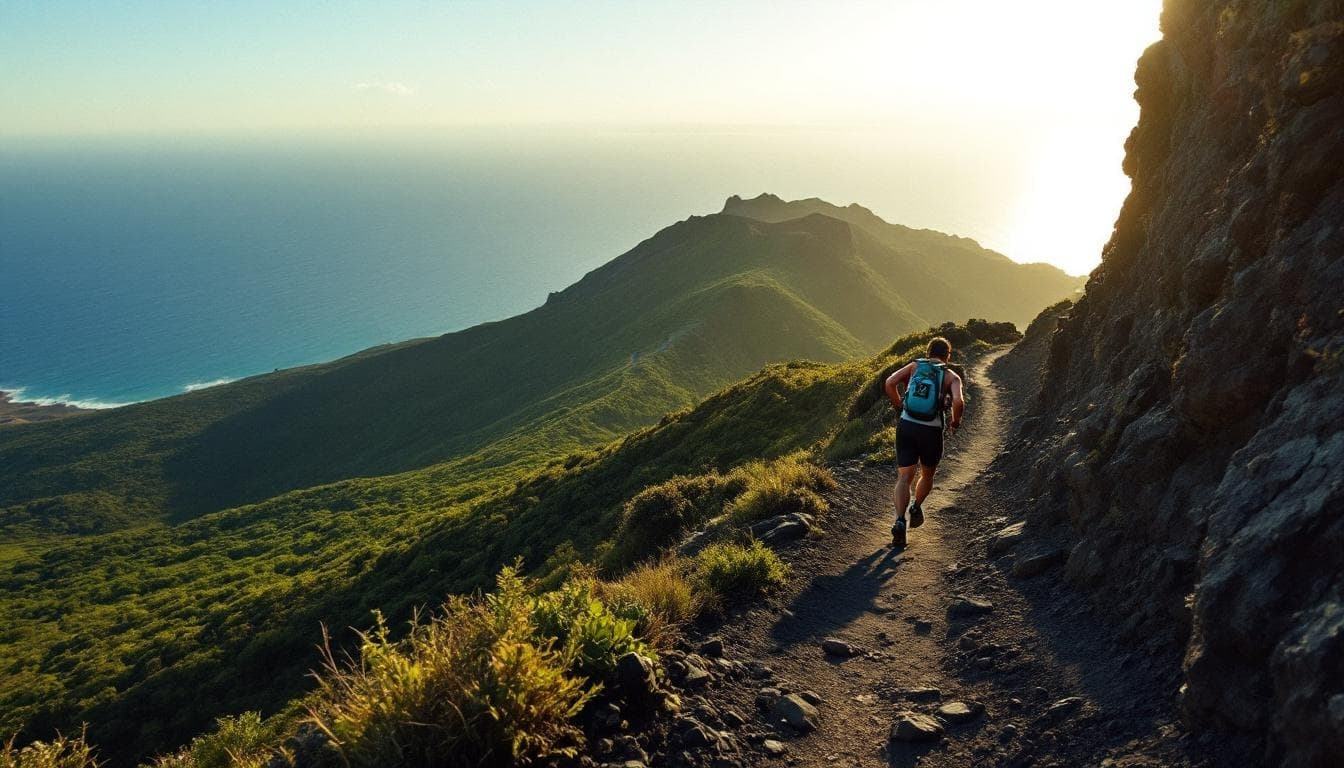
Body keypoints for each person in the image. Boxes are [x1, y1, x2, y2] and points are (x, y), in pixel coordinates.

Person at [883, 336, 964, 546]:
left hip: (907, 426)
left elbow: (890, 382)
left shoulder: (914, 367)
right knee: (927, 474)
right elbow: (958, 400)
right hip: (931, 431)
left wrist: (900, 406)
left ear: (928, 352)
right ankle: (916, 506)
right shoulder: (950, 376)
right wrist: (955, 422)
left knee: (904, 477)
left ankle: (900, 521)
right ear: (948, 356)